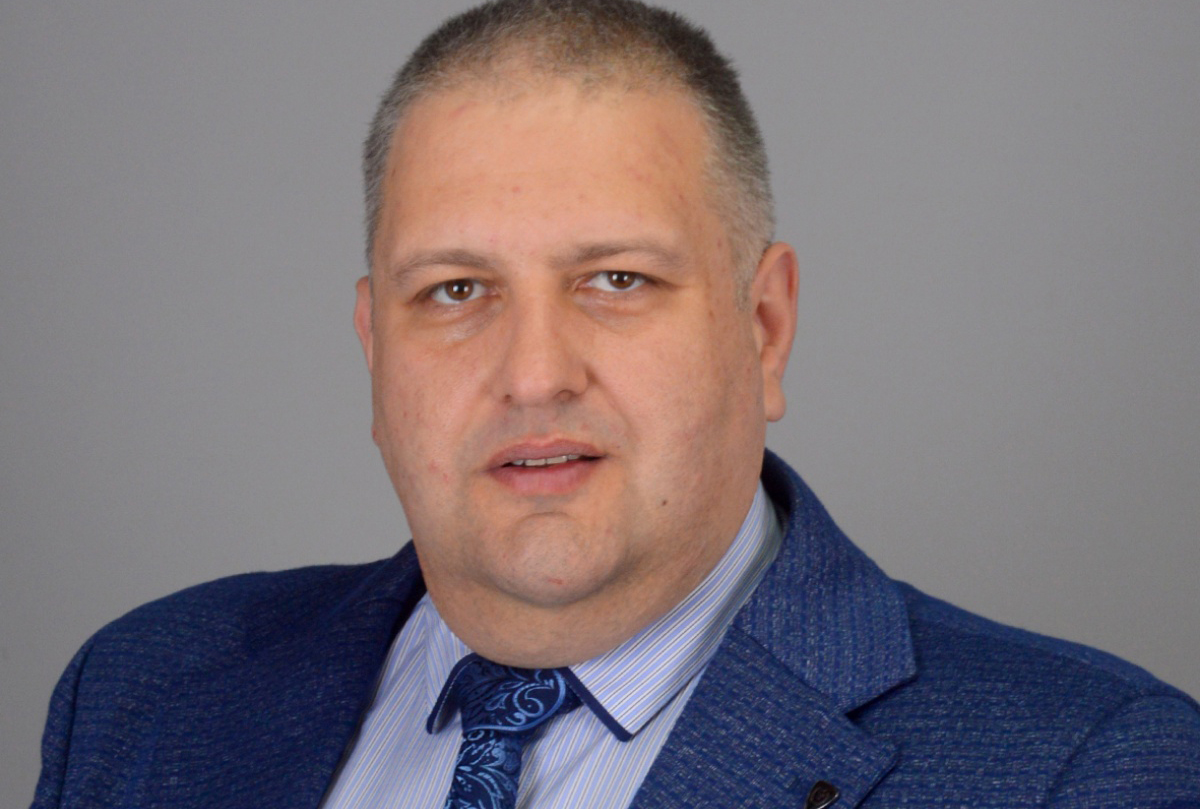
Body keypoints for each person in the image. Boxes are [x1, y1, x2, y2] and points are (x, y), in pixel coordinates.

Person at [31, 1, 1200, 807]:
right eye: (455, 290)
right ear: (374, 347)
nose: (534, 372)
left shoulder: (1086, 768)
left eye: (617, 280)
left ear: (764, 326)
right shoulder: (141, 698)